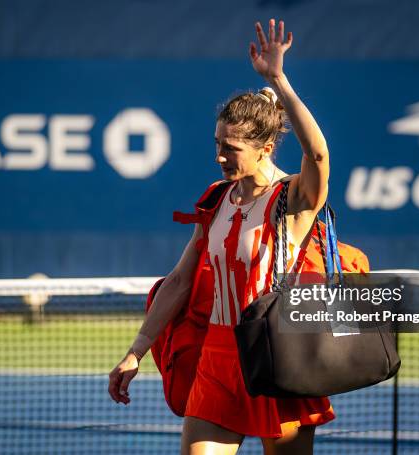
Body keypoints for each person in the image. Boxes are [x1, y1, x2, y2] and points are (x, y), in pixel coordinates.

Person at [109, 18, 333, 455]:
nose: (219, 156)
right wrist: (137, 351)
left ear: (265, 149)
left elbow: (318, 153)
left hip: (277, 356)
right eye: (217, 143)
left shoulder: (294, 198)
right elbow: (178, 283)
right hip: (217, 359)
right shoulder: (217, 200)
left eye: (230, 148)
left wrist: (278, 81)